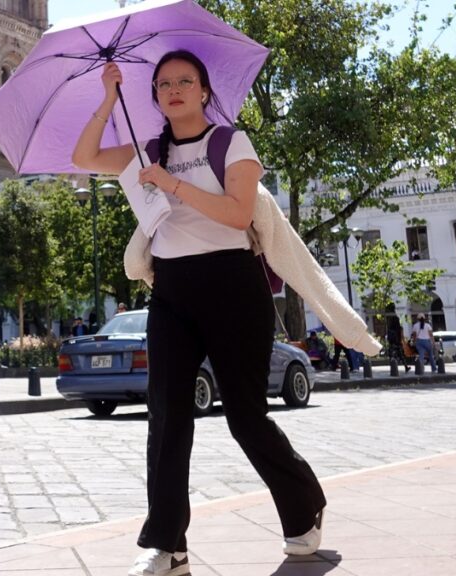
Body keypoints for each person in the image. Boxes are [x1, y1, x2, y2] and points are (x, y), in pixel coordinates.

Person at [73, 51, 326, 575]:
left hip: (233, 286)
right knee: (166, 418)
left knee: (246, 418)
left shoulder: (230, 142)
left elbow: (237, 213)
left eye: (185, 80)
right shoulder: (148, 149)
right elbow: (84, 156)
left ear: (205, 91)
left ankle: (305, 505)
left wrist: (171, 183)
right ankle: (169, 547)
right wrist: (105, 97)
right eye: (164, 83)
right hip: (172, 290)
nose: (174, 89)